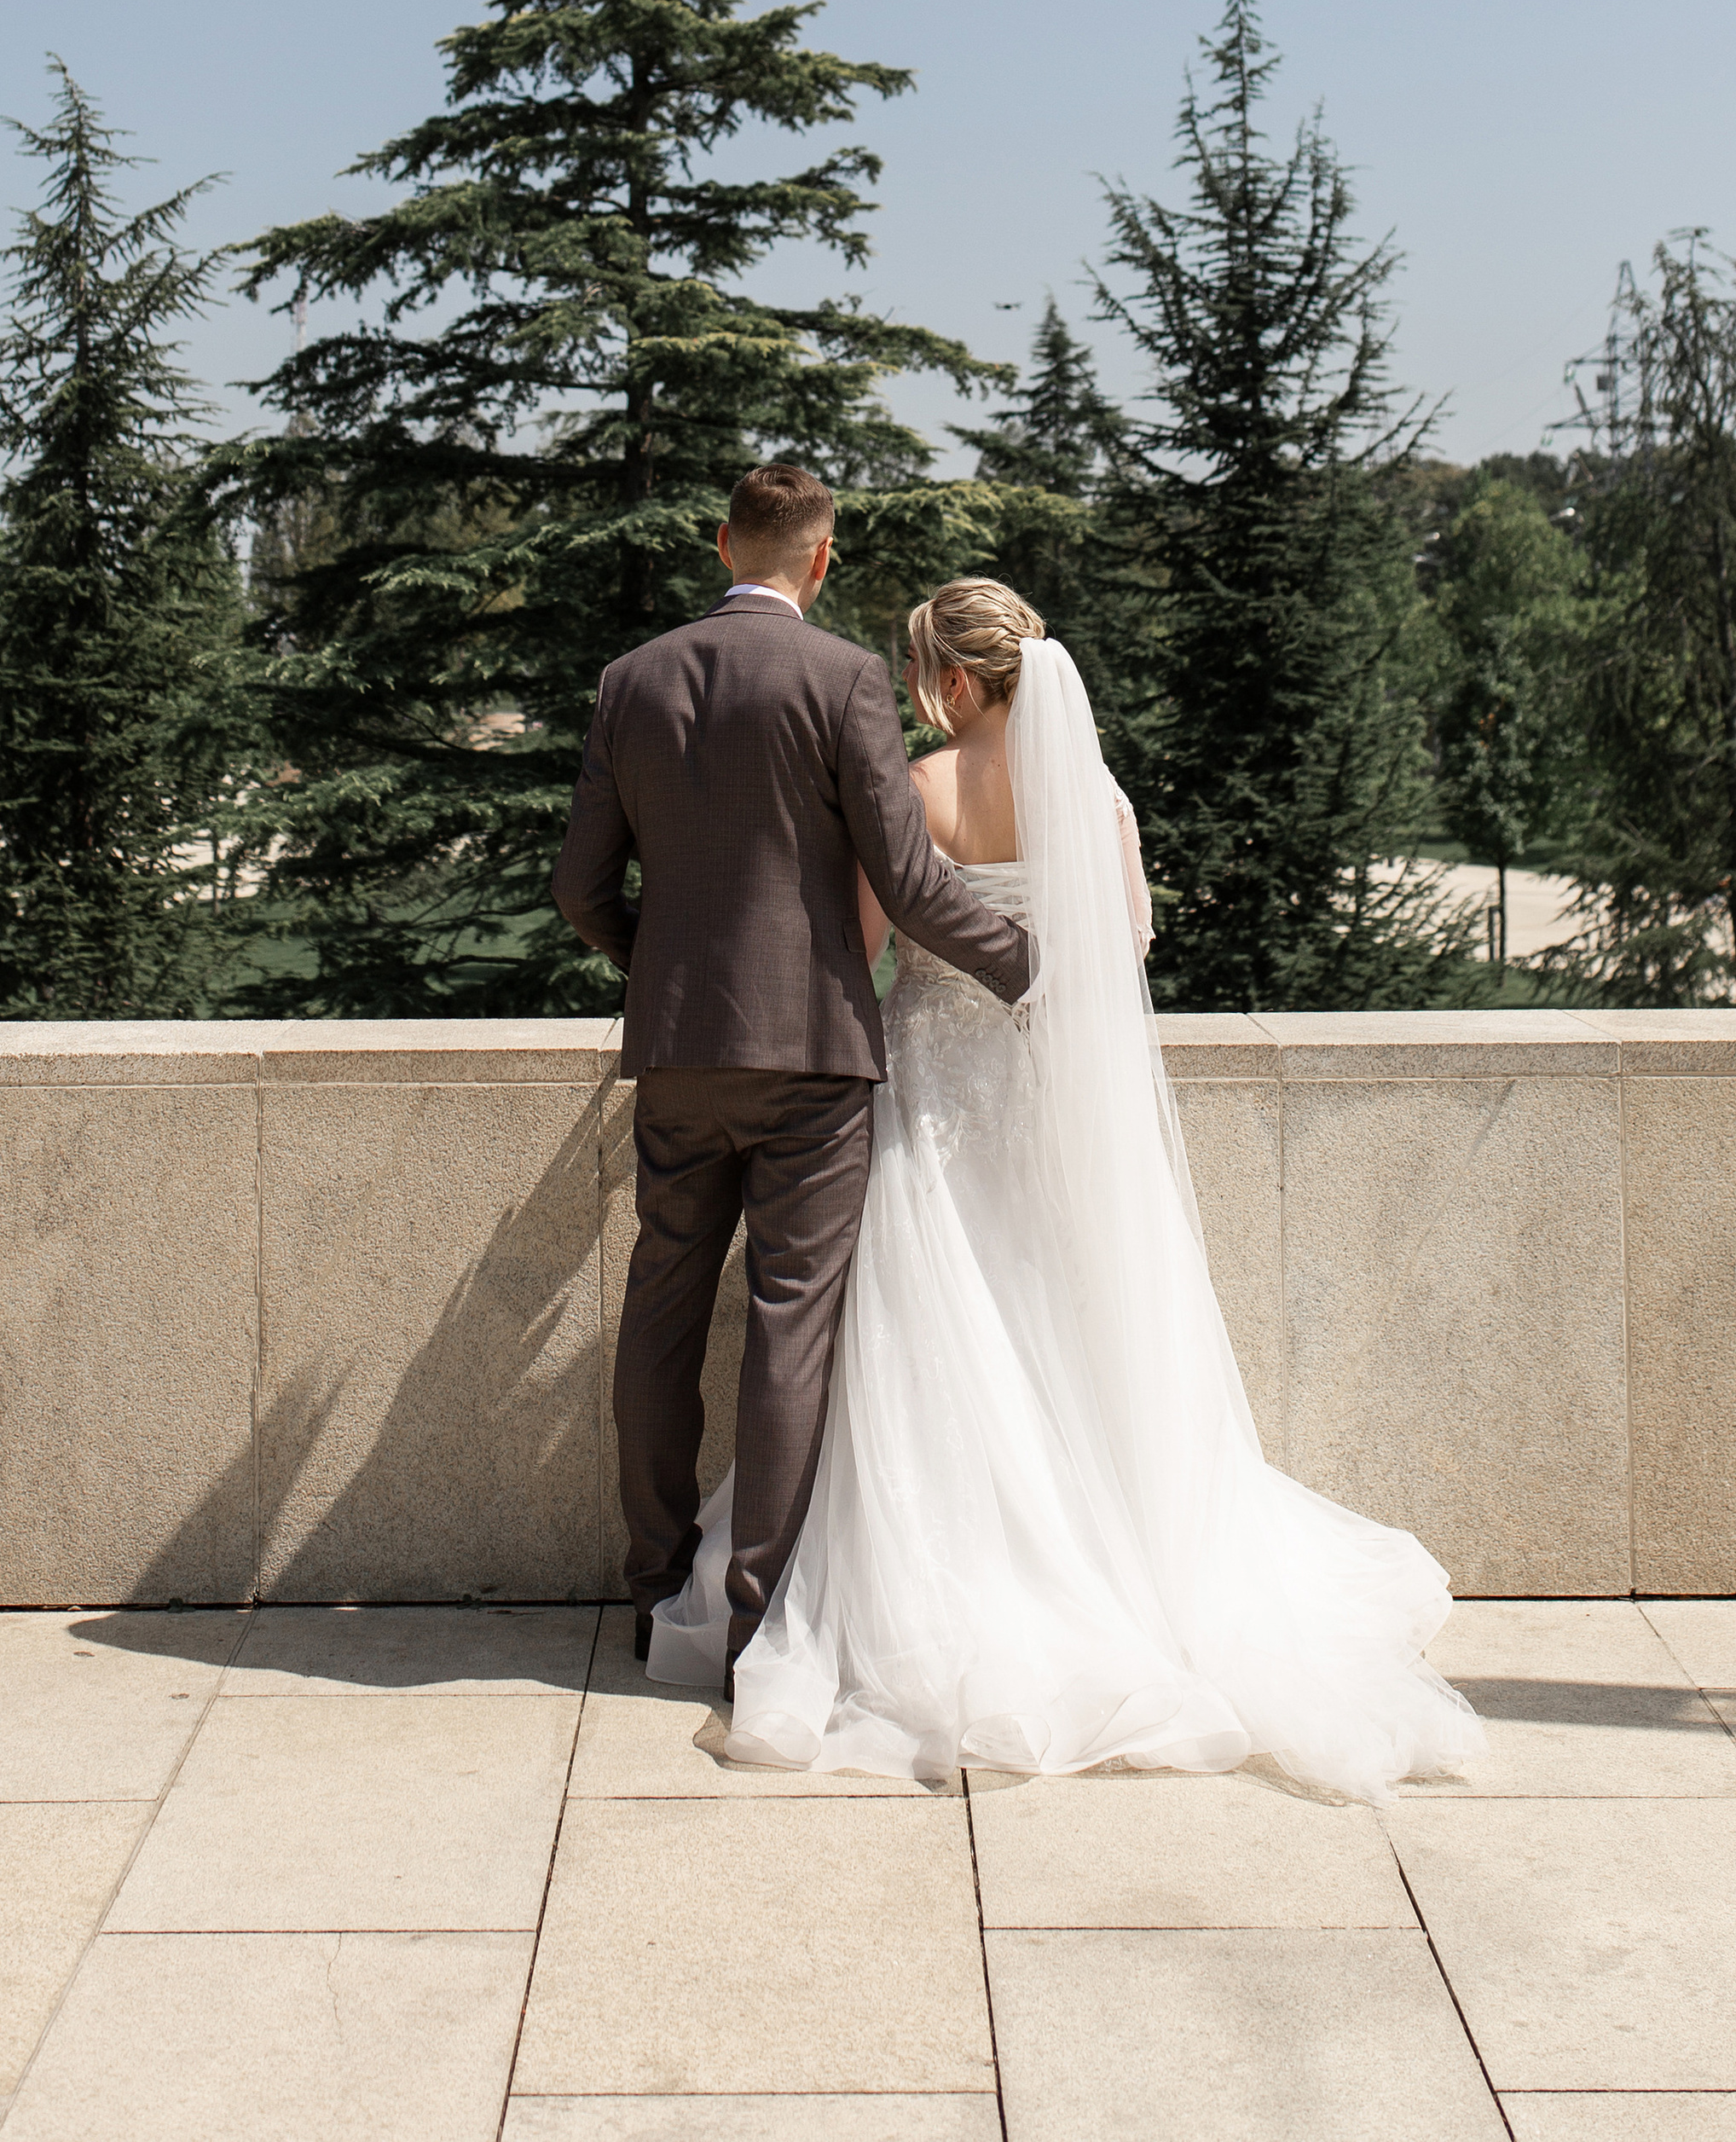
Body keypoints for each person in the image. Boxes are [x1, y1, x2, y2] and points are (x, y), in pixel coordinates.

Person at [646, 576, 1486, 1805]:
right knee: (1071, 1339)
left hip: (931, 1098)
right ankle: (1113, 1569)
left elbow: (870, 944)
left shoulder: (921, 788)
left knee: (924, 1342)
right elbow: (1126, 950)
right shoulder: (1098, 801)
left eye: (921, 669)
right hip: (1050, 1113)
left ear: (952, 681)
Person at [552, 466, 1032, 1699]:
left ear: (721, 542)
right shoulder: (843, 679)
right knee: (789, 1322)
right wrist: (1035, 965)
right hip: (813, 1053)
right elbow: (914, 886)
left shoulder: (631, 679)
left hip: (676, 1050)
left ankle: (659, 1593)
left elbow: (579, 892)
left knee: (661, 1305)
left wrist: (653, 964)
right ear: (821, 562)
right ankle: (761, 1626)